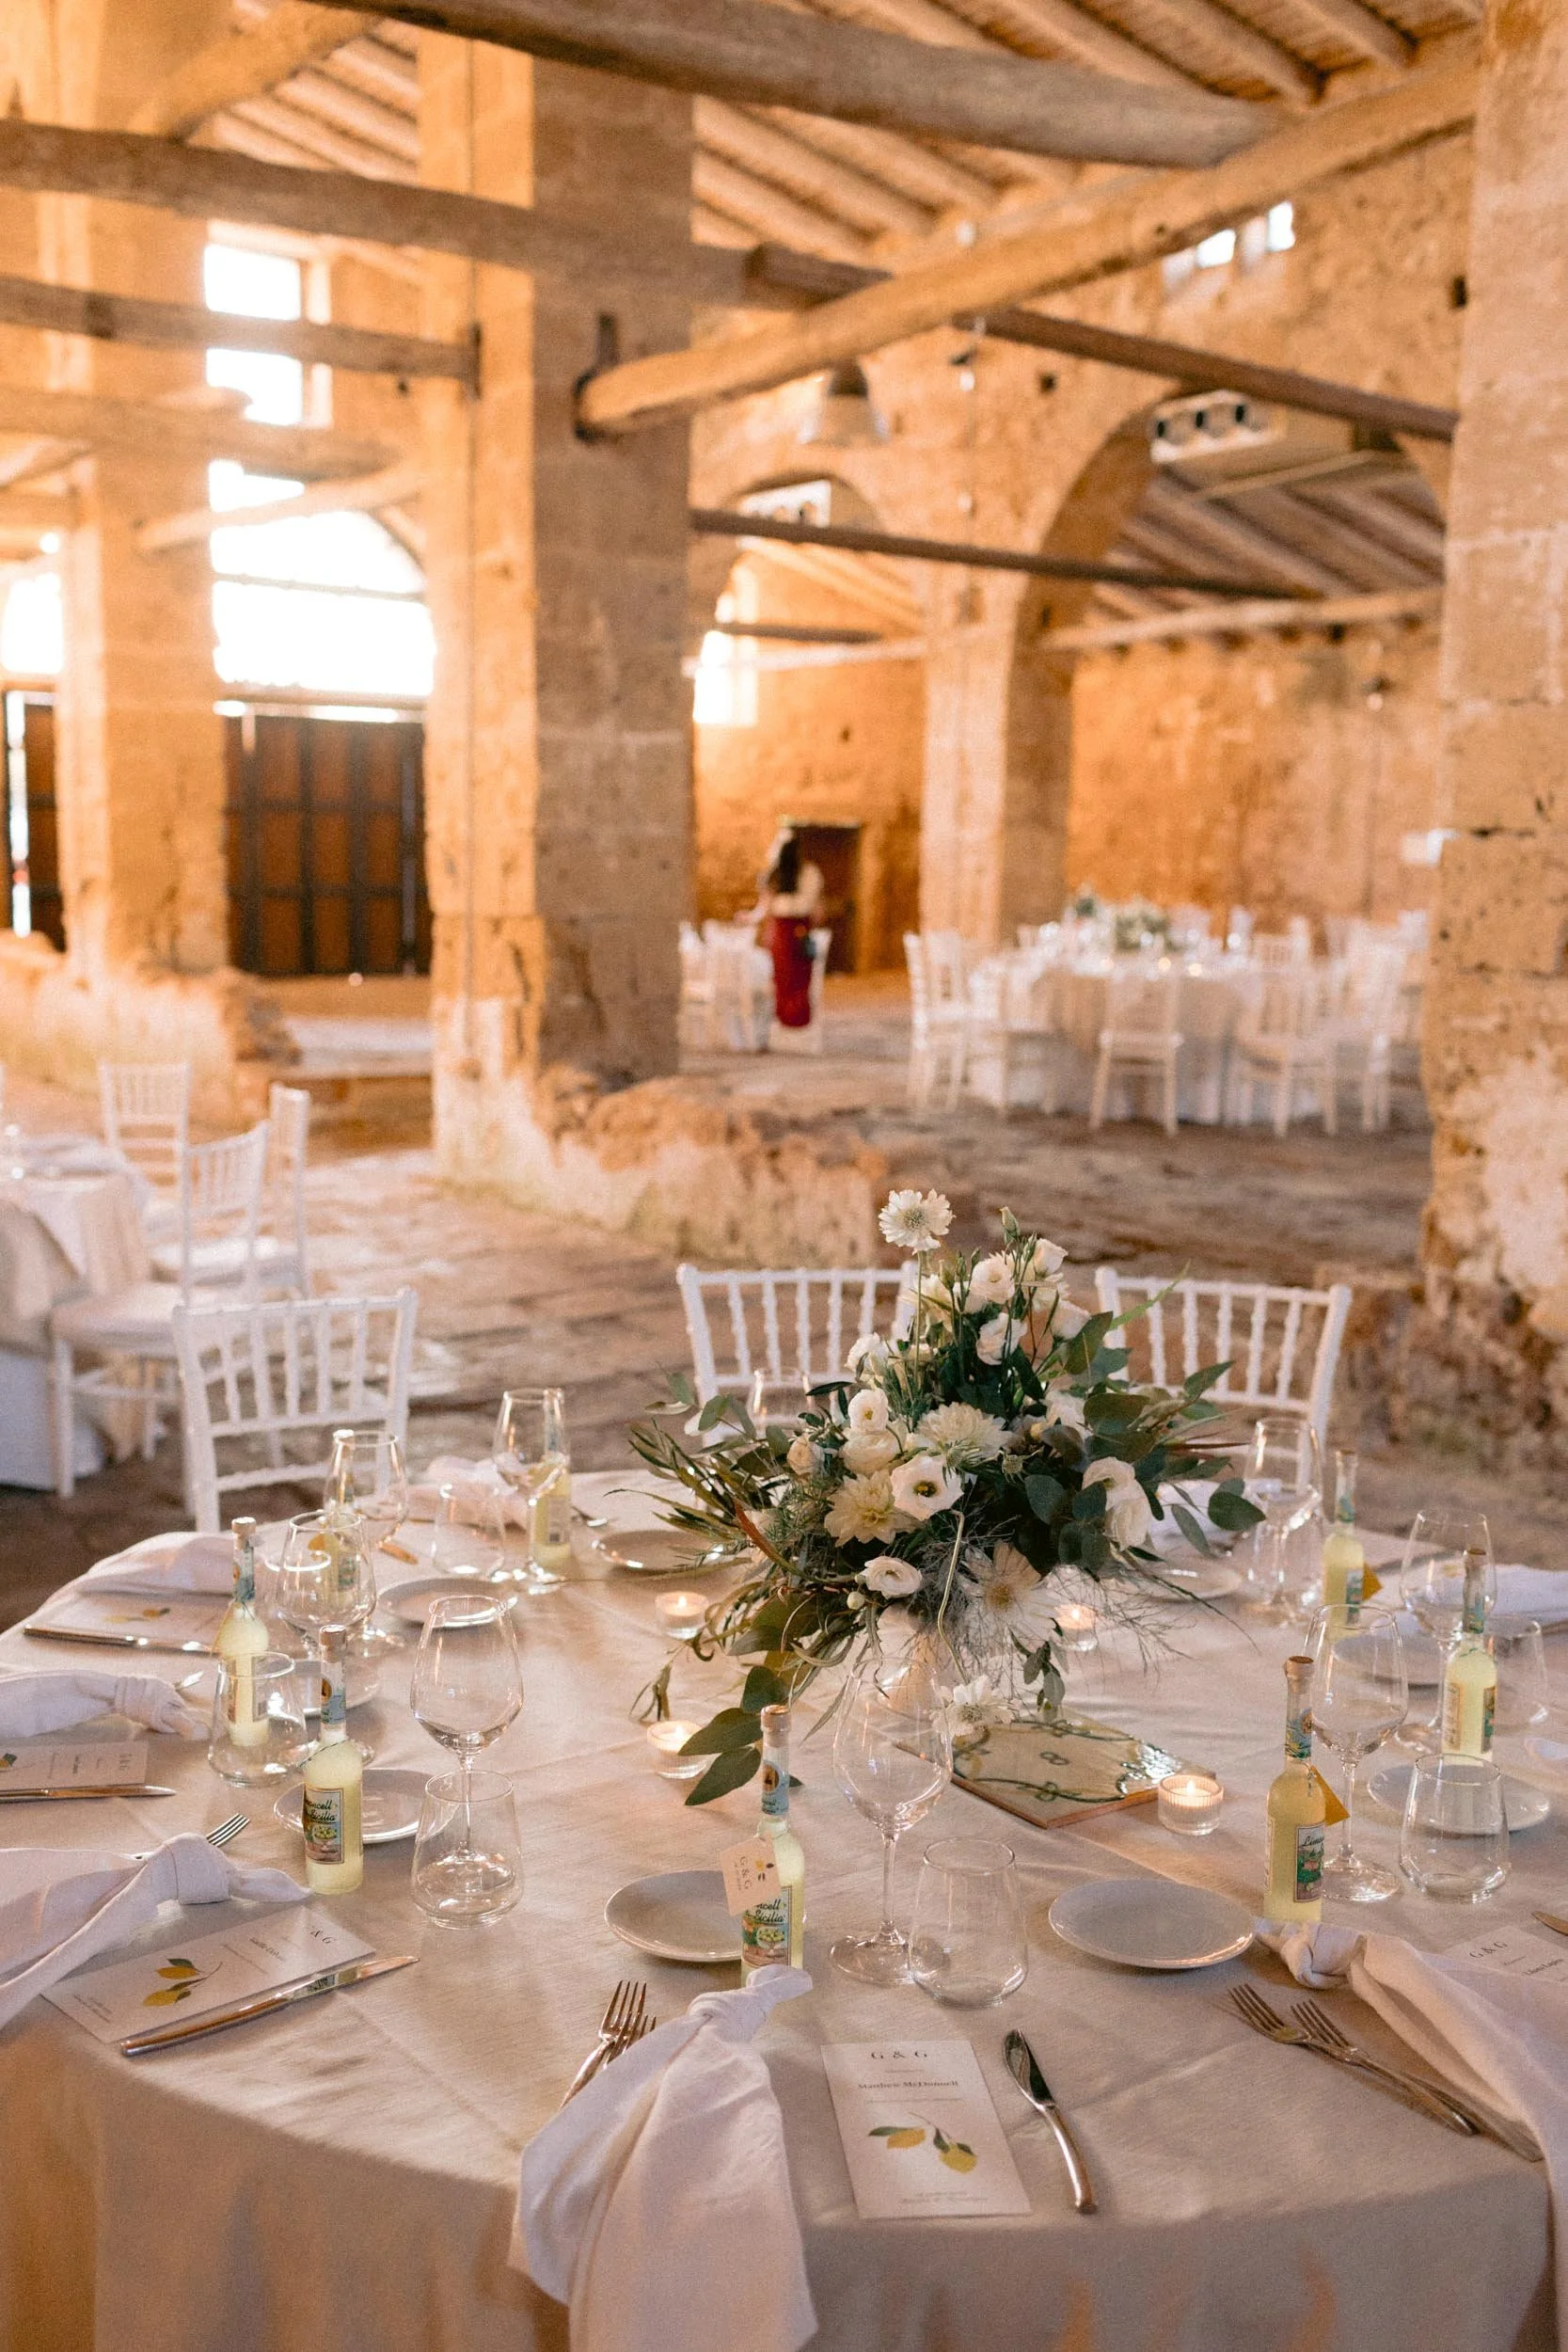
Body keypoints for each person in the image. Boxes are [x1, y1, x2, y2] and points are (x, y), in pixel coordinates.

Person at [752, 831, 824, 1031]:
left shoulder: (774, 875)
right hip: (800, 928)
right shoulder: (810, 873)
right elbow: (817, 909)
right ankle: (797, 1019)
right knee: (799, 975)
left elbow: (764, 908)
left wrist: (749, 918)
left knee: (783, 976)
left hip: (781, 931)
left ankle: (785, 1019)